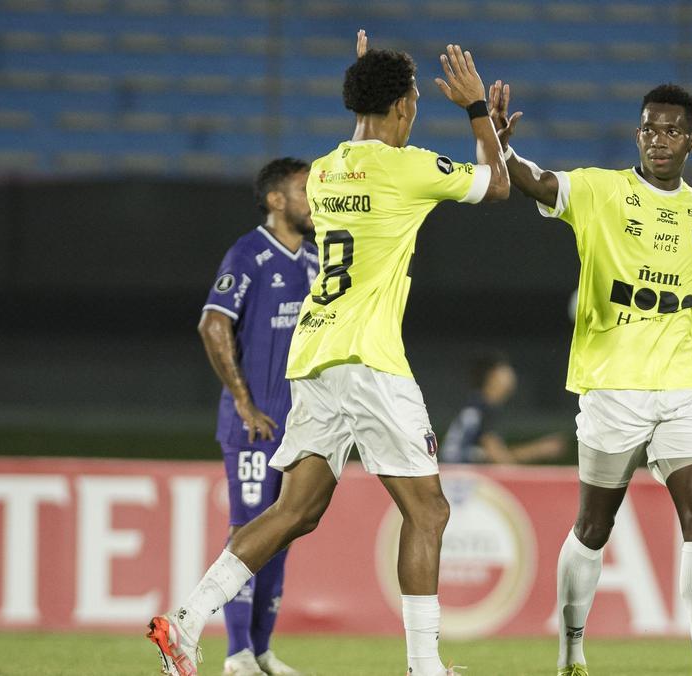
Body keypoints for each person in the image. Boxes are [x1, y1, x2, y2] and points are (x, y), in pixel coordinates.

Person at [147, 30, 509, 676]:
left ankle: (184, 621)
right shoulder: (409, 167)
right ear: (402, 107)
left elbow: (367, 147)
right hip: (370, 361)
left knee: (295, 511)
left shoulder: (327, 170)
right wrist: (480, 113)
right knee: (428, 509)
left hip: (313, 357)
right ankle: (425, 667)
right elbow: (499, 186)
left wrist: (368, 82)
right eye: (418, 97)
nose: (420, 106)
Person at [488, 80, 692, 676]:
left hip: (686, 388)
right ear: (638, 134)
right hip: (612, 387)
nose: (659, 139)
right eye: (649, 127)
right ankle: (571, 650)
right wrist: (497, 141)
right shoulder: (603, 190)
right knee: (594, 526)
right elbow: (536, 182)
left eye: (672, 130)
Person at [197, 158, 317, 675]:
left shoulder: (314, 259)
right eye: (304, 190)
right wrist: (245, 403)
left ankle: (262, 651)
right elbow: (212, 324)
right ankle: (236, 654)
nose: (314, 199)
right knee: (247, 531)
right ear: (275, 200)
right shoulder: (249, 253)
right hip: (254, 427)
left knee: (281, 535)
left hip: (301, 428)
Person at [440, 351, 566, 464]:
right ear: (492, 376)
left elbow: (495, 455)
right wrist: (540, 450)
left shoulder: (477, 405)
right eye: (505, 371)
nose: (511, 376)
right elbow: (500, 458)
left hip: (454, 474)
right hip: (459, 479)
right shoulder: (483, 408)